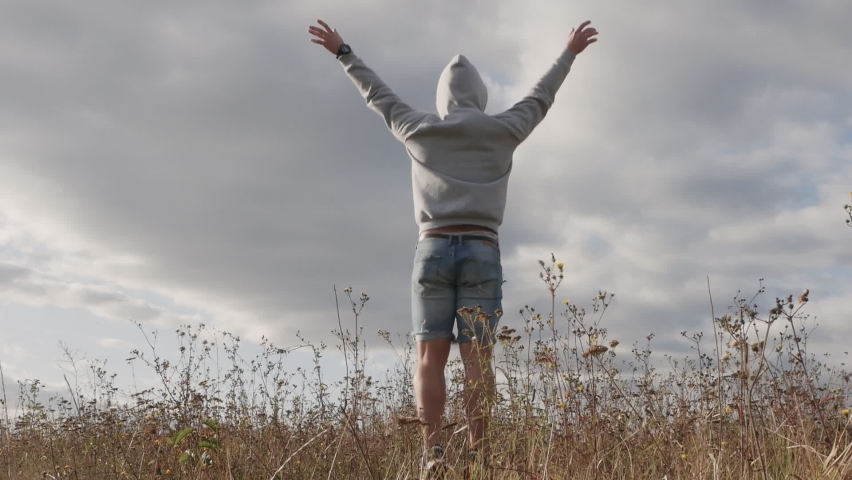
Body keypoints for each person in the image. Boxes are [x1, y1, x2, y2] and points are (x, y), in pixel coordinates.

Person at [308, 19, 598, 478]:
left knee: (430, 359)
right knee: (478, 362)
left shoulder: (418, 128)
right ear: (481, 95)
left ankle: (433, 451)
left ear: (443, 97)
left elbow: (376, 93)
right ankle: (478, 456)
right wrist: (569, 52)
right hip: (482, 251)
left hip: (433, 251)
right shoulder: (503, 129)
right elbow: (541, 97)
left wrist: (343, 51)